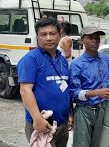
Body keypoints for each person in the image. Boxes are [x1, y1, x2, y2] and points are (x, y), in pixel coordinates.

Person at [17, 17, 72, 147]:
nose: (48, 38)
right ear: (37, 37)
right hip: (43, 123)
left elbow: (66, 89)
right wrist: (37, 118)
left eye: (52, 34)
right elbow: (25, 90)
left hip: (62, 124)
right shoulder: (31, 59)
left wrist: (70, 114)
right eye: (43, 34)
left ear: (60, 35)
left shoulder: (62, 60)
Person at [69, 26, 109, 147]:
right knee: (82, 144)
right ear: (82, 40)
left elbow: (105, 80)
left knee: (96, 144)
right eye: (90, 38)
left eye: (97, 38)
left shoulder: (104, 58)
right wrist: (97, 93)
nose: (95, 41)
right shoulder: (77, 64)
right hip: (84, 111)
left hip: (101, 110)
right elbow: (73, 92)